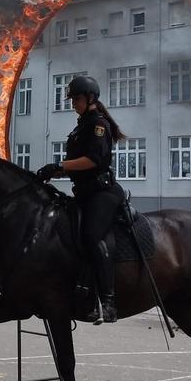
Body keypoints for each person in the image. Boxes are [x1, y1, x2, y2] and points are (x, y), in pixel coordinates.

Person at [35, 75, 125, 324]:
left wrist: (59, 165)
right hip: (84, 193)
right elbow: (77, 165)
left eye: (76, 99)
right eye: (72, 99)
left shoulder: (98, 124)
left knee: (92, 236)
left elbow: (93, 160)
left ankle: (108, 302)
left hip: (103, 194)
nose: (73, 103)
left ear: (90, 98)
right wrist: (52, 172)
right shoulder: (81, 126)